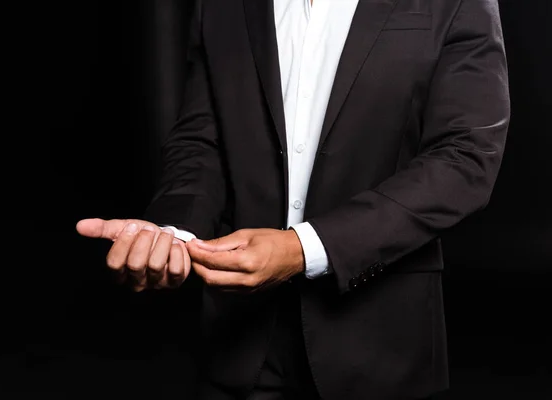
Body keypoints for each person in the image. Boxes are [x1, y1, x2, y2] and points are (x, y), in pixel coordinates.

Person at [77, 0, 510, 398]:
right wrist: (171, 234)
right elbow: (201, 142)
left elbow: (465, 159)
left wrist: (302, 248)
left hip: (381, 349)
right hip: (241, 349)